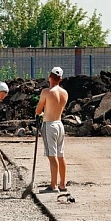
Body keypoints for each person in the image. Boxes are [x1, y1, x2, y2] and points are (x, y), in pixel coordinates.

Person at [35, 66, 69, 194]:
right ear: (60, 79)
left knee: (52, 155)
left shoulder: (46, 92)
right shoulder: (65, 93)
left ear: (50, 77)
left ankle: (53, 185)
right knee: (61, 155)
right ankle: (62, 184)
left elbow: (39, 110)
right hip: (60, 124)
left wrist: (41, 113)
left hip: (49, 125)